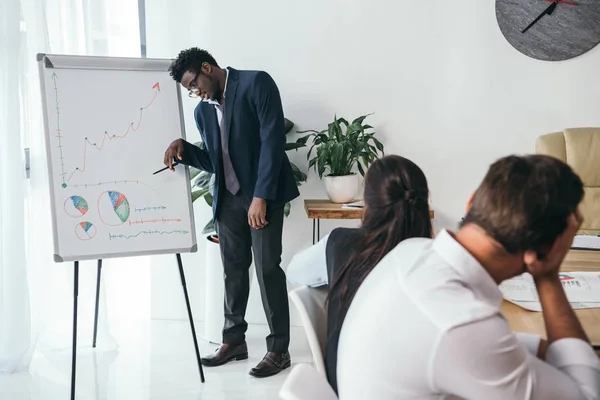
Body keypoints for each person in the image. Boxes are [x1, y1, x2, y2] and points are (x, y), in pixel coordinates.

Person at [336, 154, 600, 399]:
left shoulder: (411, 252)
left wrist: (540, 350)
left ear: (471, 201)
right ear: (538, 253)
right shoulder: (462, 324)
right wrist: (548, 276)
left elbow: (463, 345)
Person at [163, 47, 299, 378]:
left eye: (194, 84)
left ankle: (278, 349)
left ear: (207, 68)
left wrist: (261, 197)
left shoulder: (256, 84)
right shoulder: (203, 113)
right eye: (189, 90)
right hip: (228, 201)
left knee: (268, 269)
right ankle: (234, 341)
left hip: (260, 197)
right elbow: (215, 161)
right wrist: (185, 149)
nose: (195, 93)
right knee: (233, 271)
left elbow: (271, 141)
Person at [287, 154, 433, 393]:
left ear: (367, 203)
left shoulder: (340, 243)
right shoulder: (430, 258)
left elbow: (295, 271)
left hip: (345, 384)